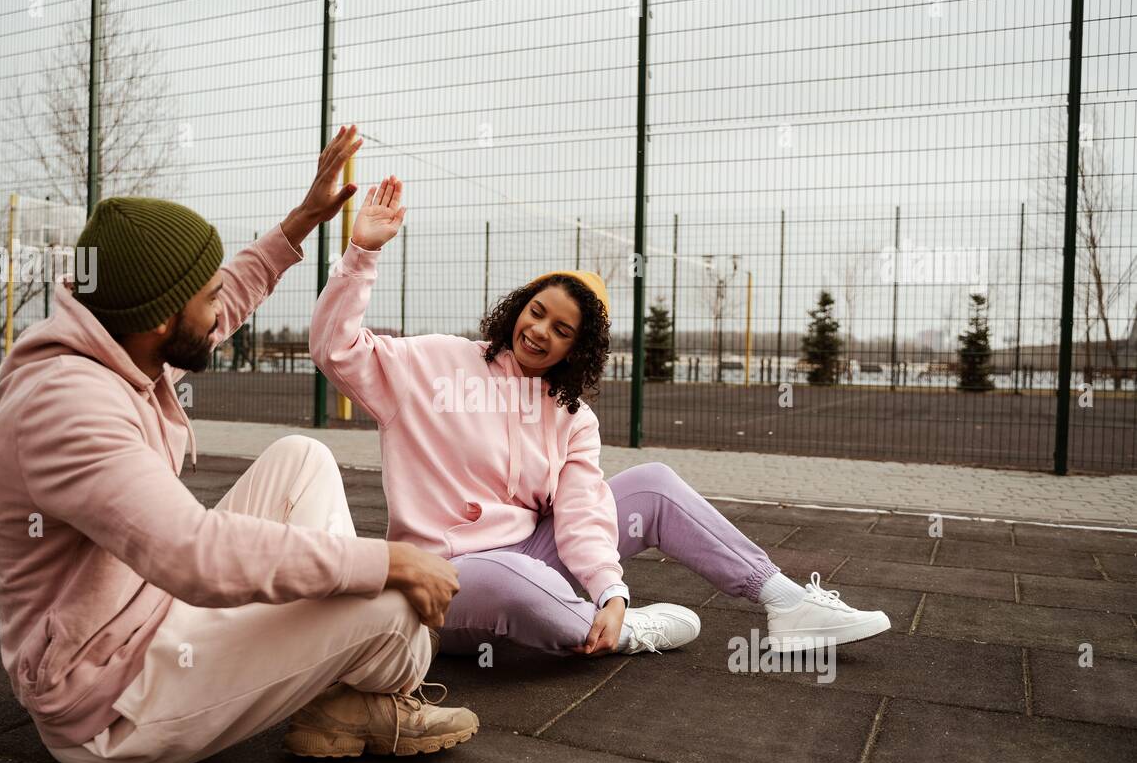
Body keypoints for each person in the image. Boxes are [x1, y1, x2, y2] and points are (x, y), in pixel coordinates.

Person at [0, 126, 479, 763]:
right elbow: (197, 554)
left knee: (302, 458)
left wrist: (303, 220)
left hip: (151, 607)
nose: (222, 311)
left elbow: (228, 295)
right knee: (395, 611)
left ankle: (339, 694)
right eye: (207, 298)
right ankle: (360, 694)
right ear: (160, 319)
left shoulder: (116, 336)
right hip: (111, 702)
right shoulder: (69, 408)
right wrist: (388, 560)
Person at [311, 175, 891, 659]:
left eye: (561, 330)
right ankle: (625, 631)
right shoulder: (436, 363)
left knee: (654, 485)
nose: (539, 331)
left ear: (576, 350)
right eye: (536, 312)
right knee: (511, 581)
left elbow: (585, 511)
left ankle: (786, 602)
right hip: (451, 578)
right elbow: (336, 349)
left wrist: (610, 588)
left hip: (534, 555)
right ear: (518, 308)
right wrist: (363, 253)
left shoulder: (572, 417)